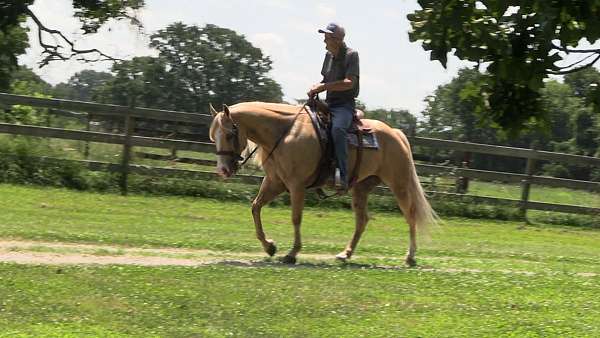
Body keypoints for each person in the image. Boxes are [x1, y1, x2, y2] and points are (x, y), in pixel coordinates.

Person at [307, 22, 360, 193]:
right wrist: (316, 87)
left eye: (327, 37)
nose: (324, 40)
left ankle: (343, 177)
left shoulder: (352, 55)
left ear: (337, 39)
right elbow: (325, 80)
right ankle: (318, 172)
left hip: (344, 105)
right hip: (328, 104)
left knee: (337, 130)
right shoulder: (328, 56)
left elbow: (349, 83)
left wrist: (323, 87)